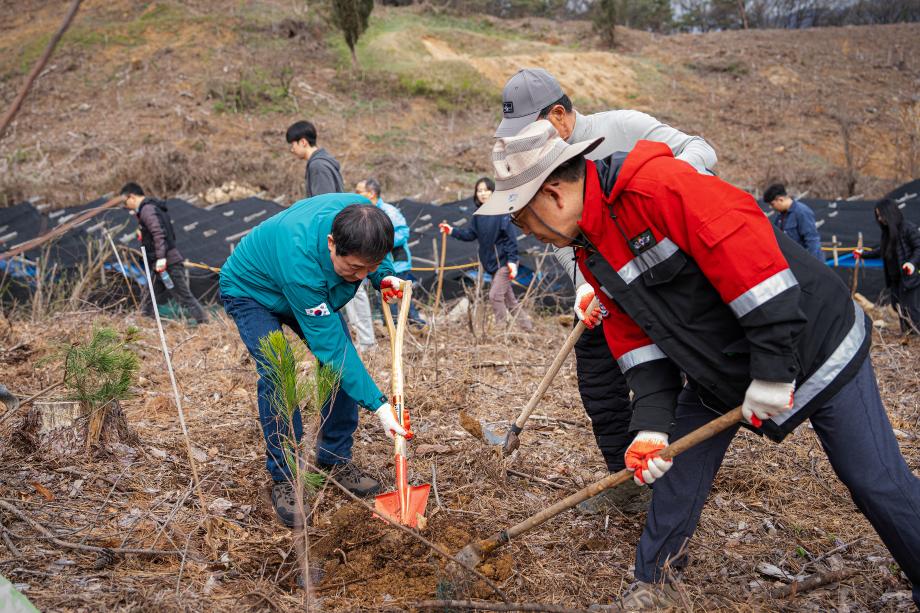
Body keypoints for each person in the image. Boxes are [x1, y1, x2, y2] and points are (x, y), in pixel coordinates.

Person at [477, 121, 920, 609]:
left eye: (522, 220)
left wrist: (773, 370)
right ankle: (655, 585)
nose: (529, 234)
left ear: (554, 195)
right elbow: (635, 339)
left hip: (814, 340)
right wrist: (650, 426)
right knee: (677, 473)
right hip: (720, 369)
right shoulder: (590, 247)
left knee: (871, 477)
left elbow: (755, 263)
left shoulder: (659, 187)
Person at [495, 68, 719, 514]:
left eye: (529, 132)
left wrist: (657, 190)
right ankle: (625, 477)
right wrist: (582, 287)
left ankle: (673, 481)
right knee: (598, 380)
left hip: (659, 280)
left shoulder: (624, 127)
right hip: (600, 285)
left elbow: (702, 151)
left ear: (559, 116)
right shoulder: (541, 163)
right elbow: (558, 236)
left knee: (663, 381)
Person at [220, 195, 411, 527]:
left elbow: (371, 259)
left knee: (337, 372)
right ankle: (285, 477)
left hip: (299, 284)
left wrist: (385, 275)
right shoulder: (302, 265)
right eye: (354, 268)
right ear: (331, 243)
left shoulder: (364, 216)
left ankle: (334, 458)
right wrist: (380, 407)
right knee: (279, 369)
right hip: (252, 289)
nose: (359, 276)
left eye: (369, 266)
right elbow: (334, 351)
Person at [286, 119, 375, 351]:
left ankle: (366, 342)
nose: (291, 150)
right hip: (340, 237)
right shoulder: (323, 163)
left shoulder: (318, 167)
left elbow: (325, 208)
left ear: (303, 141)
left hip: (339, 241)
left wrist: (331, 246)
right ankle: (363, 340)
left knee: (352, 285)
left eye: (292, 144)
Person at [438, 178, 533, 332]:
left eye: (486, 190)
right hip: (491, 265)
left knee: (495, 296)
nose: (482, 193)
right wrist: (452, 231)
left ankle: (501, 332)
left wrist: (512, 261)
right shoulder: (479, 215)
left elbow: (511, 239)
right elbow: (470, 234)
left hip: (504, 263)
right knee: (510, 300)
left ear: (492, 191)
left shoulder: (502, 212)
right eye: (479, 190)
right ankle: (527, 328)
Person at [120, 183, 208, 324]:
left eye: (125, 202)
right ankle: (146, 323)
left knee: (183, 295)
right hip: (158, 263)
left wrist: (161, 258)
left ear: (131, 197)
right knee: (149, 296)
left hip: (167, 263)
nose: (126, 205)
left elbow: (159, 233)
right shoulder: (149, 209)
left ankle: (203, 323)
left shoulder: (147, 210)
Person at [355, 179, 426, 328]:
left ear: (371, 193)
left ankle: (411, 326)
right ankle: (401, 326)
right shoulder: (362, 212)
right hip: (376, 263)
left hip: (397, 262)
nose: (356, 195)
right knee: (390, 298)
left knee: (398, 296)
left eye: (359, 191)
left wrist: (381, 243)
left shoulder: (389, 211)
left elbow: (403, 232)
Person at [860, 198, 920, 335]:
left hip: (910, 277)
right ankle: (907, 333)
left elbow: (919, 248)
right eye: (878, 216)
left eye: (881, 215)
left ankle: (916, 335)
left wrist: (911, 263)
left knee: (912, 308)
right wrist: (863, 254)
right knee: (898, 306)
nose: (880, 219)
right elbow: (881, 251)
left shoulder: (908, 228)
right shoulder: (888, 233)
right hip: (895, 279)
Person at [763, 183, 823, 260]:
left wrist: (814, 265)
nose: (772, 207)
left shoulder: (801, 212)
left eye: (772, 204)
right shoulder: (780, 217)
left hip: (802, 261)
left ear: (780, 199)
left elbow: (812, 240)